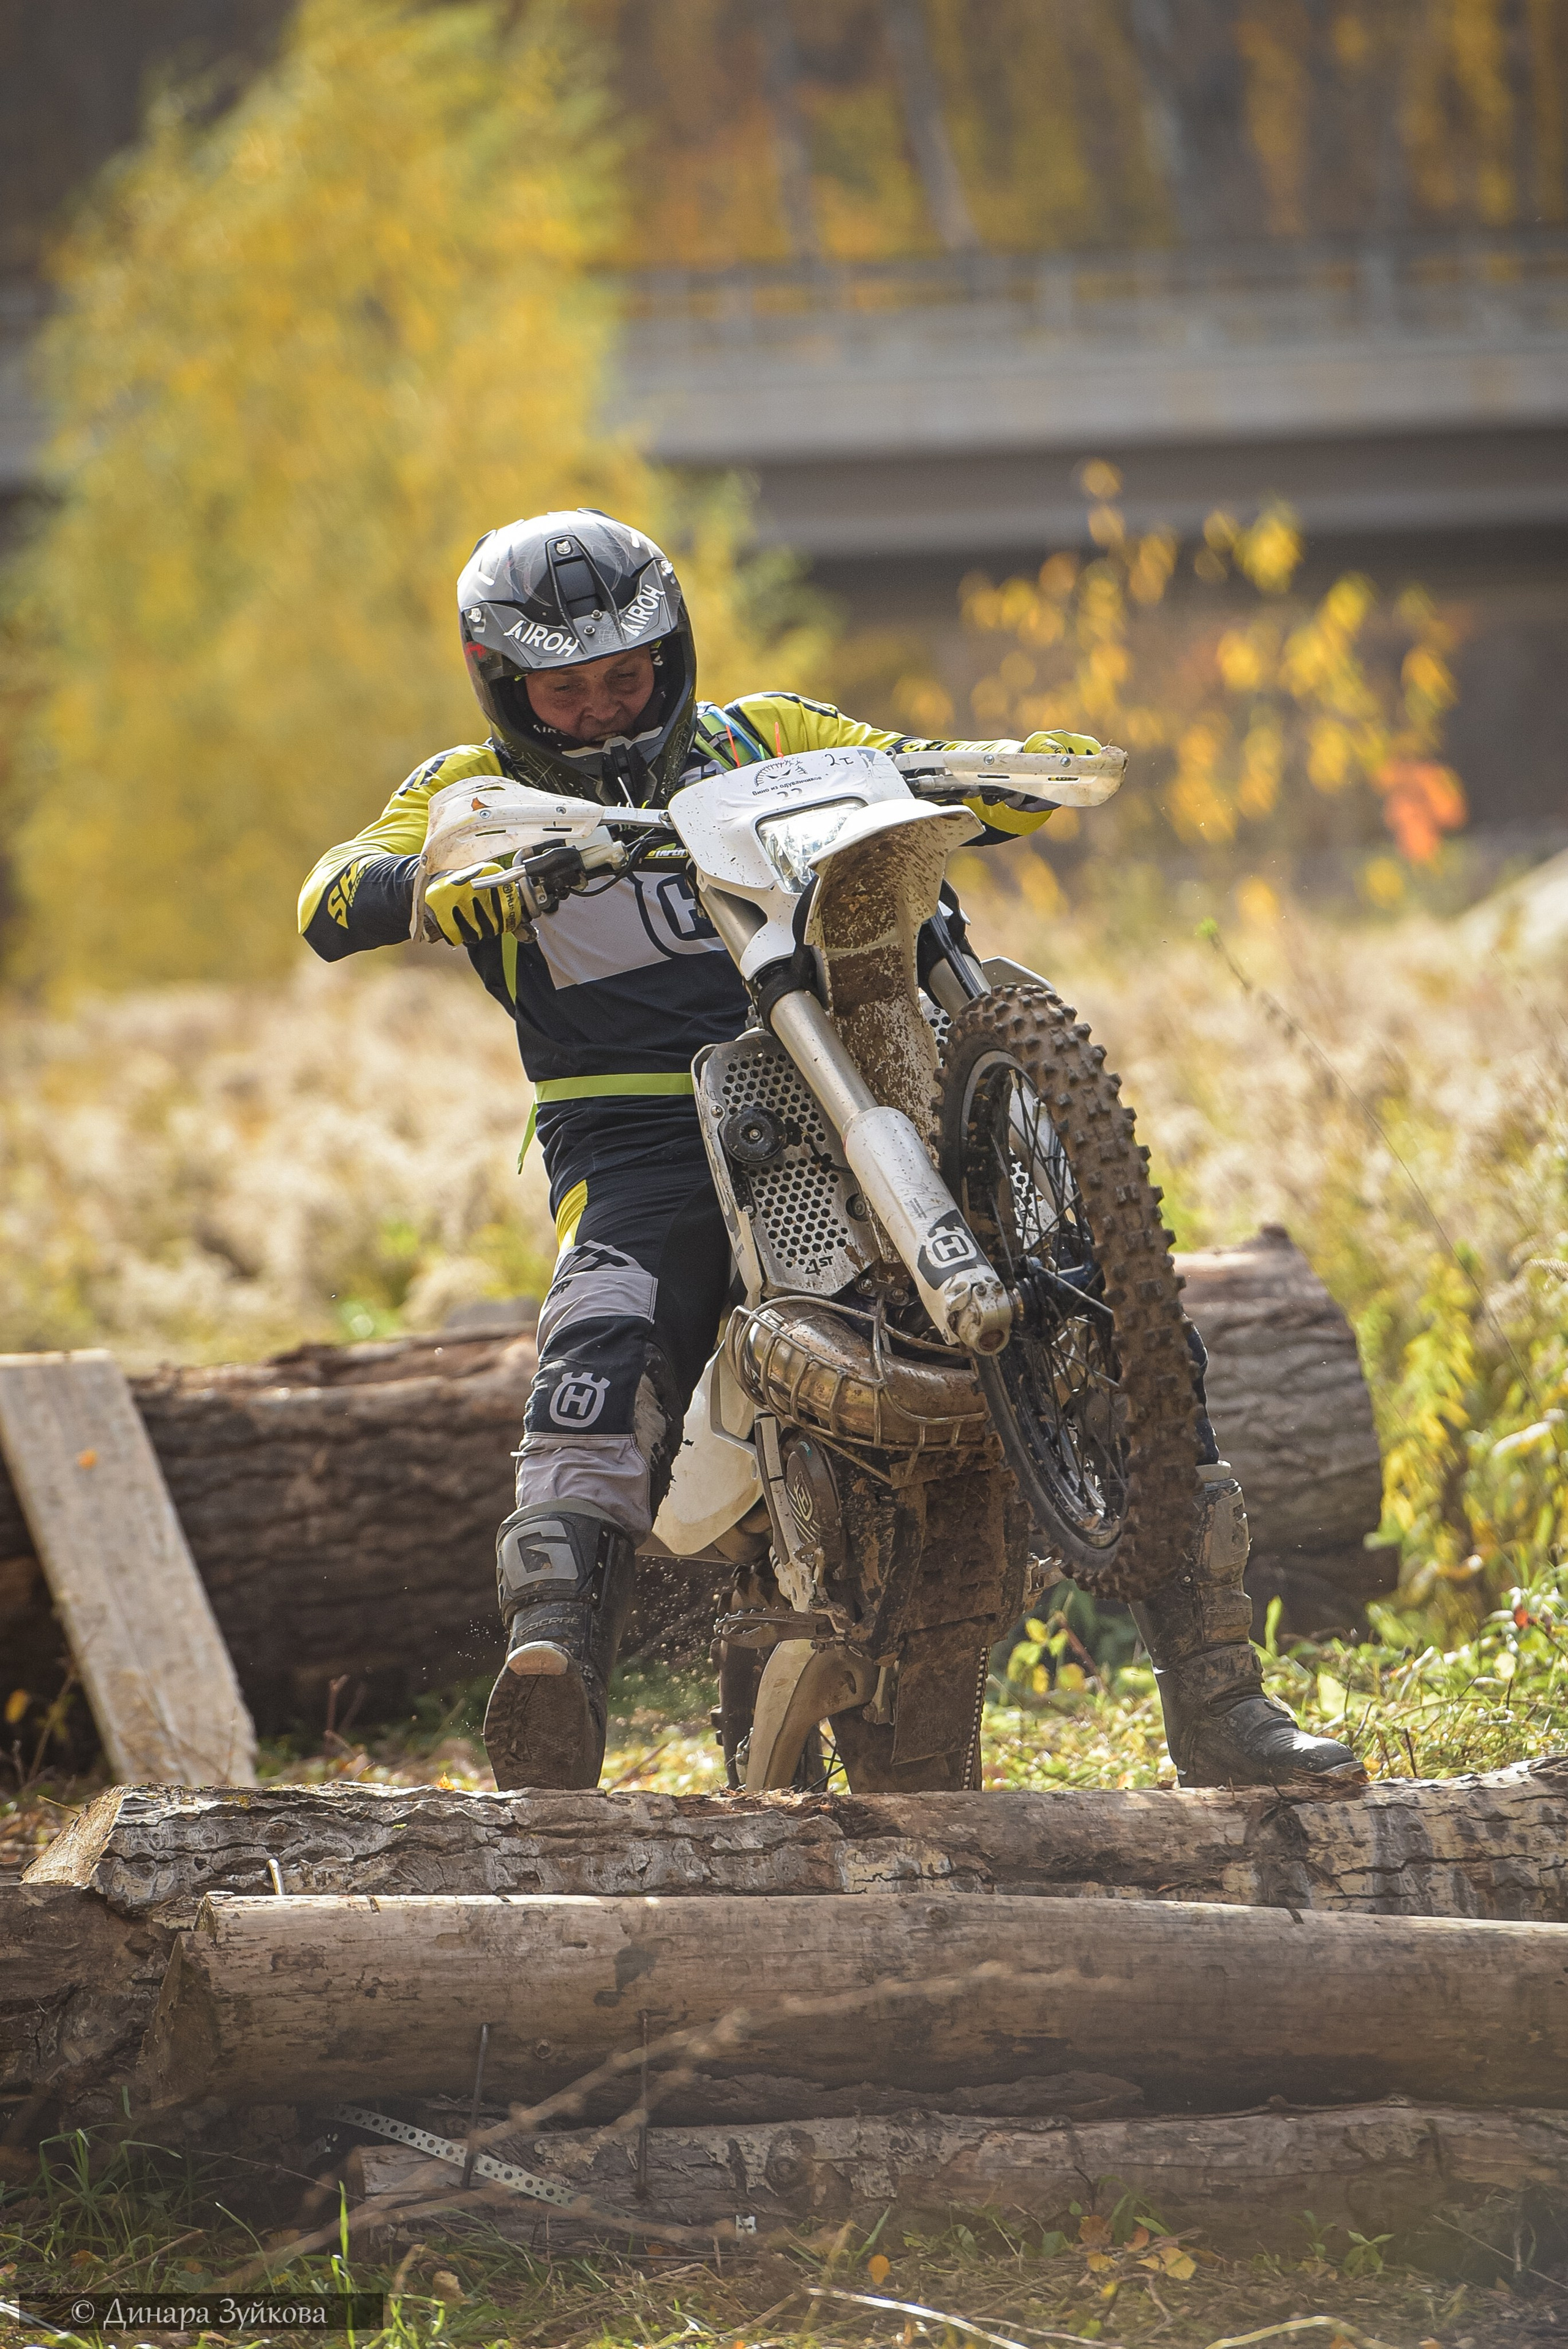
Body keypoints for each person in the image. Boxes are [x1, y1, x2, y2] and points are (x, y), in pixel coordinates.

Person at [300, 509, 1361, 1797]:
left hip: (870, 1072)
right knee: (607, 1329)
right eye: (565, 693)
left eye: (624, 677)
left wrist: (982, 775)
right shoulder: (471, 792)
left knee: (1115, 1313)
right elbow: (328, 892)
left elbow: (890, 764)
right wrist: (430, 885)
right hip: (642, 1130)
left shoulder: (763, 735)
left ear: (670, 654)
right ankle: (555, 1664)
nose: (602, 711)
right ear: (503, 687)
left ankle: (1219, 1695)